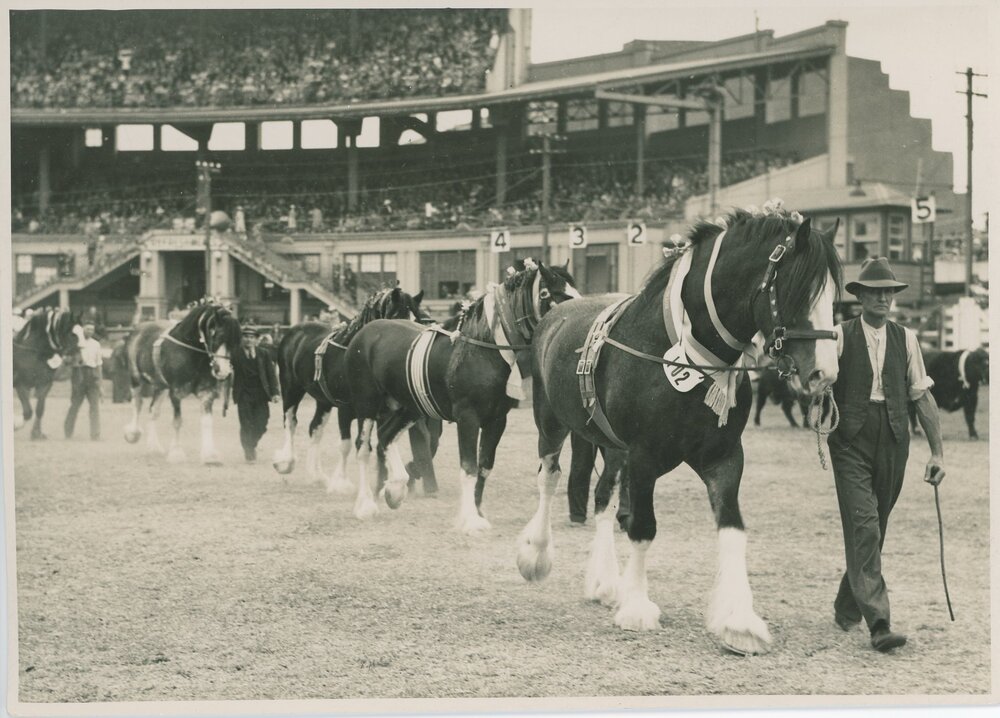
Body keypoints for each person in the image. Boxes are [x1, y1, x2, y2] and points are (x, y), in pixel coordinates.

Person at [827, 257, 945, 652]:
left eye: (887, 292)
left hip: (894, 439)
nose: (882, 298)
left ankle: (848, 605)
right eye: (873, 291)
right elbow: (816, 381)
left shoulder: (905, 338)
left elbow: (921, 396)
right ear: (859, 296)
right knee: (866, 527)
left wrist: (938, 453)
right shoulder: (838, 335)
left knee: (876, 525)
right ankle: (879, 623)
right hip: (850, 441)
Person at [233, 327, 280, 463]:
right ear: (242, 339)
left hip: (261, 393)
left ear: (256, 339)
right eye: (246, 337)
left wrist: (275, 392)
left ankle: (251, 444)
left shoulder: (263, 353)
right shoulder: (235, 354)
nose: (249, 339)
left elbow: (271, 374)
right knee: (246, 423)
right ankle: (249, 452)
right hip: (243, 394)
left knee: (262, 423)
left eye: (252, 337)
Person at [64, 321, 103, 440]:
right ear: (82, 330)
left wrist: (100, 382)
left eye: (92, 329)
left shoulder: (96, 344)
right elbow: (67, 360)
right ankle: (68, 432)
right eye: (87, 329)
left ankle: (95, 434)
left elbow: (98, 363)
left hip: (92, 375)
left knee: (94, 406)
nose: (89, 332)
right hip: (79, 374)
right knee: (75, 405)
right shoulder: (76, 344)